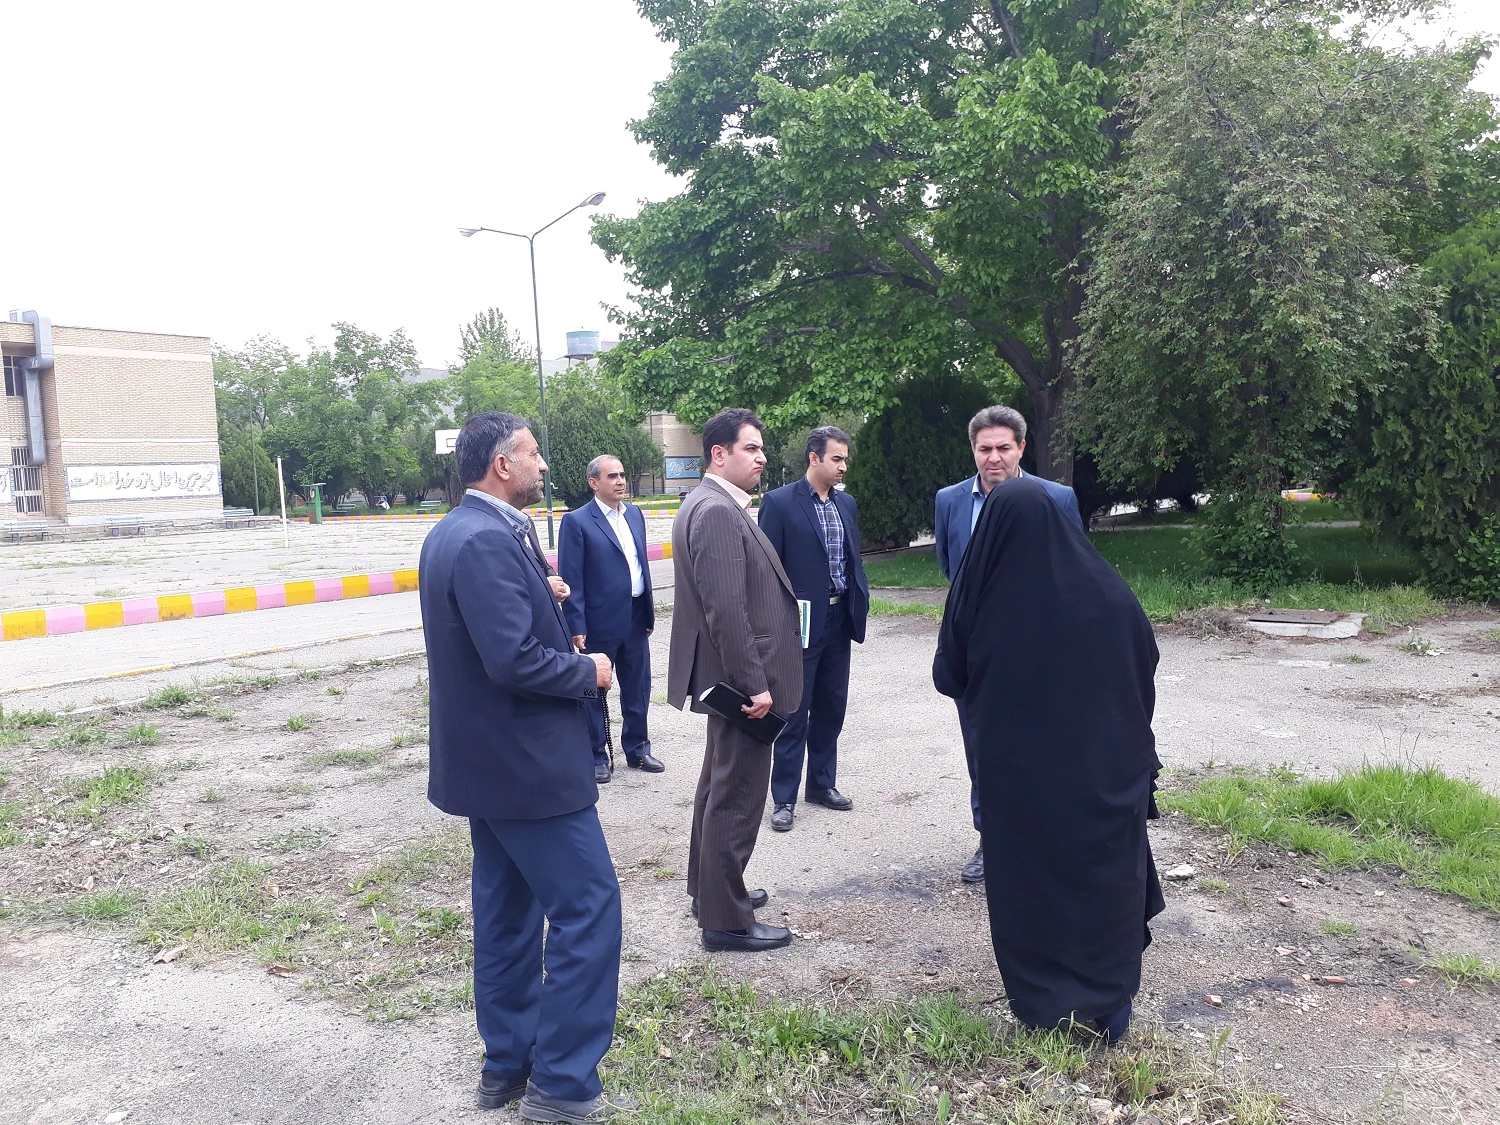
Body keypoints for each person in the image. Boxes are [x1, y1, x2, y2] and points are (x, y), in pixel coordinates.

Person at [420, 412, 634, 1122]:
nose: (544, 465)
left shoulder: (459, 531)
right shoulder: (483, 538)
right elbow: (512, 660)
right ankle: (562, 1085)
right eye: (534, 453)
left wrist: (551, 605)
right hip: (528, 768)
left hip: (493, 766)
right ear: (501, 464)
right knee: (589, 909)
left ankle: (508, 1066)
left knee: (508, 915)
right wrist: (588, 670)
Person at [933, 477, 1164, 1044]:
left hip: (1018, 780)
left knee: (1031, 886)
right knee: (1103, 878)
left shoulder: (980, 601)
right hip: (1104, 773)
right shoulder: (1108, 594)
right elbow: (1145, 665)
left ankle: (1041, 1003)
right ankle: (1110, 1007)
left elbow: (948, 676)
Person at [667, 407, 803, 953]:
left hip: (725, 678)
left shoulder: (705, 503)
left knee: (717, 787)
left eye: (761, 448)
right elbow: (726, 610)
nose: (762, 457)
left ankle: (712, 893)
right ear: (718, 454)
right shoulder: (717, 510)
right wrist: (755, 683)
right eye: (751, 448)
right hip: (741, 684)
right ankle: (726, 923)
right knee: (737, 795)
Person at [933, 404, 1083, 884]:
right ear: (972, 450)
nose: (993, 458)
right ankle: (991, 840)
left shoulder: (1056, 498)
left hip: (1040, 648)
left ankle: (1044, 838)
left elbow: (1073, 570)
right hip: (977, 651)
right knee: (982, 748)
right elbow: (949, 566)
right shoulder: (950, 501)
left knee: (1043, 745)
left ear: (1021, 448)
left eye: (1003, 448)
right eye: (984, 449)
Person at [756, 426, 869, 832]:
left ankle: (821, 784)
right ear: (814, 458)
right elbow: (767, 571)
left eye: (845, 459)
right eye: (836, 459)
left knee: (831, 706)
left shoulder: (846, 504)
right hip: (799, 625)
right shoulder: (780, 503)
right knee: (793, 710)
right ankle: (784, 798)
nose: (843, 466)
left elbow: (851, 560)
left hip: (839, 619)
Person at [559, 454, 660, 783]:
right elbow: (571, 577)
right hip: (598, 622)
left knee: (638, 687)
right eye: (612, 476)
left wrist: (647, 611)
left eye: (622, 475)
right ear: (594, 483)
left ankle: (638, 748)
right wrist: (576, 624)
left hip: (635, 616)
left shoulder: (634, 514)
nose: (620, 481)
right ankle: (596, 756)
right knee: (593, 690)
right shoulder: (577, 521)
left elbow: (639, 564)